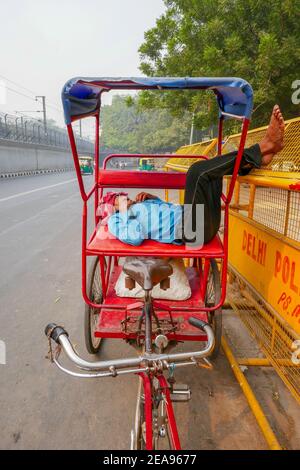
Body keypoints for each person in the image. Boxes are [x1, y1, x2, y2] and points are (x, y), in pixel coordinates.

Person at [103, 106, 285, 247]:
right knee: (196, 172)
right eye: (119, 199)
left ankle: (253, 161)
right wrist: (125, 212)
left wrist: (154, 199)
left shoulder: (140, 204)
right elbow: (135, 238)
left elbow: (167, 213)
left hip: (202, 222)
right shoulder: (116, 220)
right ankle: (261, 150)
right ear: (113, 207)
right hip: (191, 232)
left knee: (212, 173)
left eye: (123, 196)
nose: (125, 197)